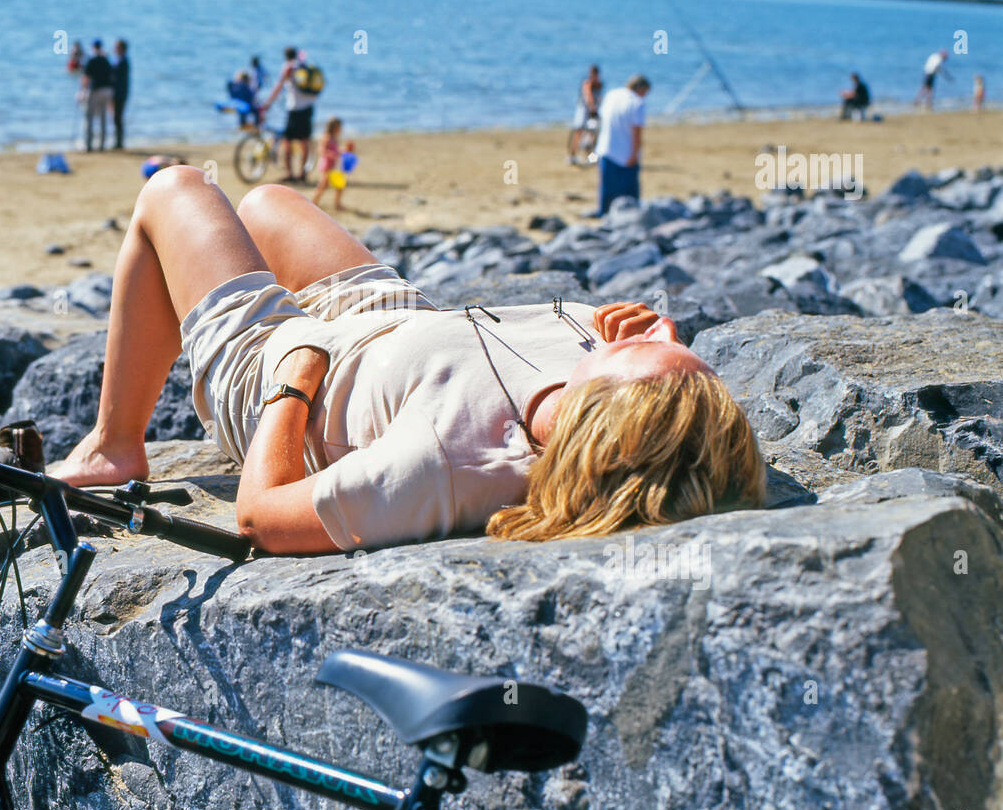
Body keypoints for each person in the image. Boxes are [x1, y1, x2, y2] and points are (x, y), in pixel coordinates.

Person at [49, 174, 764, 554]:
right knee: (266, 205)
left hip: (296, 373)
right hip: (394, 316)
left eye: (643, 348)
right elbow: (684, 434)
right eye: (679, 349)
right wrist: (633, 338)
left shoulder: (450, 463)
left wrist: (293, 381)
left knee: (174, 190)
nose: (660, 329)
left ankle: (114, 447)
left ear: (602, 416)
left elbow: (262, 518)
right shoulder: (613, 393)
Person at [261, 45, 321, 182]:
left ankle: (290, 174)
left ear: (285, 56)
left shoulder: (288, 67)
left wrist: (268, 103)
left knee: (287, 141)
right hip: (308, 108)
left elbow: (279, 85)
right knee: (304, 141)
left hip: (294, 109)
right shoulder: (304, 65)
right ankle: (303, 174)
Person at [594, 74, 649, 216]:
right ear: (641, 88)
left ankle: (603, 213)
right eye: (645, 92)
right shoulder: (636, 102)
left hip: (605, 148)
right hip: (625, 153)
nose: (645, 96)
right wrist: (634, 154)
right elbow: (636, 131)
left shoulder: (611, 95)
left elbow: (601, 119)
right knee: (630, 196)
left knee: (607, 190)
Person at [568, 64, 603, 164]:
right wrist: (592, 108)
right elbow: (588, 96)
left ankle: (590, 157)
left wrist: (596, 109)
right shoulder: (587, 83)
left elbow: (599, 97)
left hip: (593, 110)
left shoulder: (599, 84)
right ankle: (572, 156)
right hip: (584, 109)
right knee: (579, 131)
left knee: (592, 134)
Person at [83, 40, 115, 152]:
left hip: (95, 90)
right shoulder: (106, 59)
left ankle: (88, 144)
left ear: (93, 47)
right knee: (103, 118)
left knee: (89, 117)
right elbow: (112, 75)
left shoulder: (91, 60)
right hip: (107, 90)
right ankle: (102, 144)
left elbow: (86, 77)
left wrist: (83, 91)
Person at [312, 116, 345, 210]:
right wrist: (332, 154)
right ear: (335, 127)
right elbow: (321, 150)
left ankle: (337, 204)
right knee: (323, 185)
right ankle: (314, 202)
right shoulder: (326, 138)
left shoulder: (334, 138)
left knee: (339, 185)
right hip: (327, 165)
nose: (341, 129)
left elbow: (335, 150)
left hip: (333, 166)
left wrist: (342, 151)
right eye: (340, 127)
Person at [110, 40, 131, 150]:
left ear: (122, 49)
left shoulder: (123, 61)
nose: (115, 49)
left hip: (120, 94)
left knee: (117, 118)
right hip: (120, 93)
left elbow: (114, 74)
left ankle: (119, 142)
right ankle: (118, 141)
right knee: (117, 118)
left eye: (117, 47)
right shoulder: (121, 60)